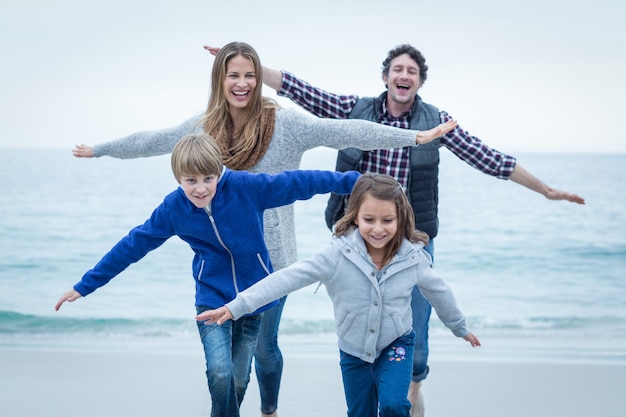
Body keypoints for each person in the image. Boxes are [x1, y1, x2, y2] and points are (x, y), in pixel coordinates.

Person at [70, 41, 458, 417]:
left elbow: (345, 131)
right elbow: (151, 141)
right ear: (219, 80)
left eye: (250, 75)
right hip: (222, 268)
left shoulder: (285, 123)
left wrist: (413, 137)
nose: (242, 83)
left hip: (273, 259)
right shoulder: (203, 129)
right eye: (233, 75)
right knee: (229, 366)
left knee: (264, 348)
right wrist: (99, 149)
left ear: (258, 79)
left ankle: (269, 409)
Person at [239, 43, 585, 416]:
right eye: (398, 69)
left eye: (412, 72)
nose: (404, 76)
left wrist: (546, 190)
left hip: (410, 243)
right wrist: (251, 66)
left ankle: (413, 382)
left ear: (419, 82)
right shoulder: (355, 111)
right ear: (386, 76)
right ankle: (371, 388)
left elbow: (489, 159)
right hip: (356, 243)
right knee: (361, 322)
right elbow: (301, 90)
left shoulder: (434, 120)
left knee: (414, 335)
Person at [55, 133, 363, 417]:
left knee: (239, 381)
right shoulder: (174, 208)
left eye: (208, 178)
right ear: (178, 179)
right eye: (191, 180)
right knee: (219, 373)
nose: (201, 188)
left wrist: (357, 182)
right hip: (211, 301)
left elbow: (301, 182)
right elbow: (134, 244)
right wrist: (86, 285)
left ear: (220, 173)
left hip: (252, 300)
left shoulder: (245, 189)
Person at [196, 173, 481, 417]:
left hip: (397, 344)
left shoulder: (413, 258)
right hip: (353, 352)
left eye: (387, 220)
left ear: (400, 218)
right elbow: (287, 278)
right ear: (355, 216)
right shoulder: (336, 255)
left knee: (395, 404)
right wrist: (237, 306)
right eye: (369, 219)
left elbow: (439, 292)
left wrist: (459, 327)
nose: (378, 229)